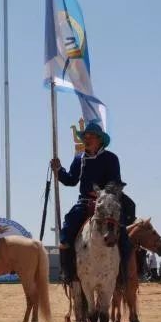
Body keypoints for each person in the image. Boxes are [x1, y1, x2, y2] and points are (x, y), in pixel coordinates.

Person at [52, 122, 133, 284]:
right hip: (85, 201)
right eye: (85, 137)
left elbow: (115, 181)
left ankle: (124, 274)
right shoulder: (79, 159)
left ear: (100, 140)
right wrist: (59, 171)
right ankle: (67, 272)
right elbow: (71, 180)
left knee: (124, 232)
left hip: (108, 200)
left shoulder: (111, 158)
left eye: (91, 137)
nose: (87, 139)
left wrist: (102, 194)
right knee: (67, 230)